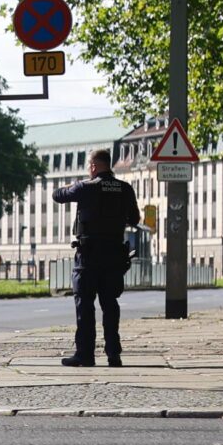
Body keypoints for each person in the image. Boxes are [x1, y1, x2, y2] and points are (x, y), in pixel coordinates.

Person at [54, 148, 139, 367]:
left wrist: (74, 185)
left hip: (88, 256)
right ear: (108, 165)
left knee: (85, 305)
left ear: (92, 166)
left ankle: (85, 354)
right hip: (113, 255)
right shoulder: (125, 188)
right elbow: (135, 218)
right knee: (110, 304)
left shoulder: (85, 187)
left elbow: (58, 195)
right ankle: (113, 354)